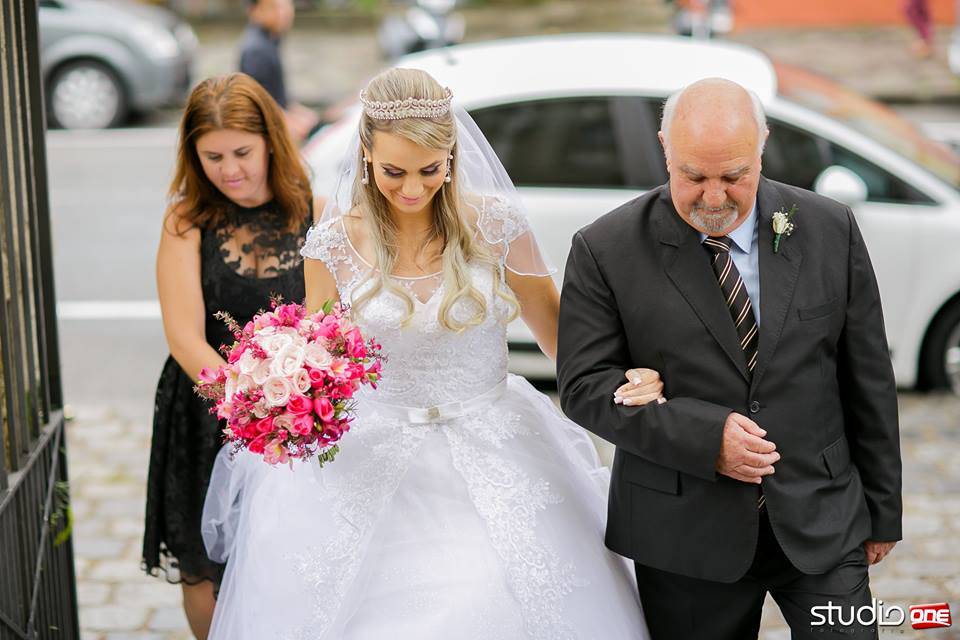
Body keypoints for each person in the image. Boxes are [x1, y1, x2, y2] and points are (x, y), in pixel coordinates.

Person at [200, 67, 659, 639]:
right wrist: (288, 387)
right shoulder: (334, 241)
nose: (413, 189)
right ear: (366, 153)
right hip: (373, 451)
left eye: (429, 170)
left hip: (497, 442)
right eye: (394, 171)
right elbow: (320, 348)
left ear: (451, 158)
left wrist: (618, 379)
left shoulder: (495, 225)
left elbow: (559, 334)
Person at [557, 78, 902, 639]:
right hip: (683, 534)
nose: (713, 198)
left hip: (823, 515)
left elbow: (867, 378)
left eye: (734, 177)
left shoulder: (829, 227)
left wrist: (883, 512)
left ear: (762, 146)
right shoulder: (604, 248)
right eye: (693, 176)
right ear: (665, 146)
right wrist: (704, 437)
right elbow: (584, 388)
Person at [142, 72, 317, 639]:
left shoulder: (315, 210)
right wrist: (250, 406)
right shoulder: (186, 221)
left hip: (300, 418)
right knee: (205, 568)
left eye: (242, 152)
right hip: (206, 413)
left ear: (271, 140)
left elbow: (330, 322)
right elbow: (185, 338)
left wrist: (293, 405)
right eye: (212, 156)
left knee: (292, 560)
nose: (230, 169)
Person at [239, 0, 320, 143]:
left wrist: (305, 115)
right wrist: (297, 125)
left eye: (286, 5)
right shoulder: (256, 50)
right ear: (254, 11)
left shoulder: (270, 39)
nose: (284, 13)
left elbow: (278, 97)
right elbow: (259, 102)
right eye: (274, 7)